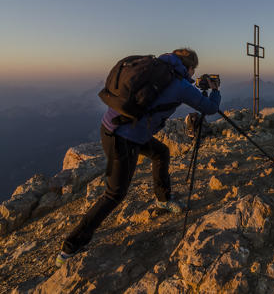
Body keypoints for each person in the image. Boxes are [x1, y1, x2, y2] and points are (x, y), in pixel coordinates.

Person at [55, 48, 221, 267]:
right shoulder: (180, 85)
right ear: (189, 67)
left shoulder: (157, 70)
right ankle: (70, 248)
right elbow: (209, 108)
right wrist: (215, 89)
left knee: (161, 152)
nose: (193, 73)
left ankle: (163, 200)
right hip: (124, 138)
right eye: (193, 69)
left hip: (113, 128)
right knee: (114, 194)